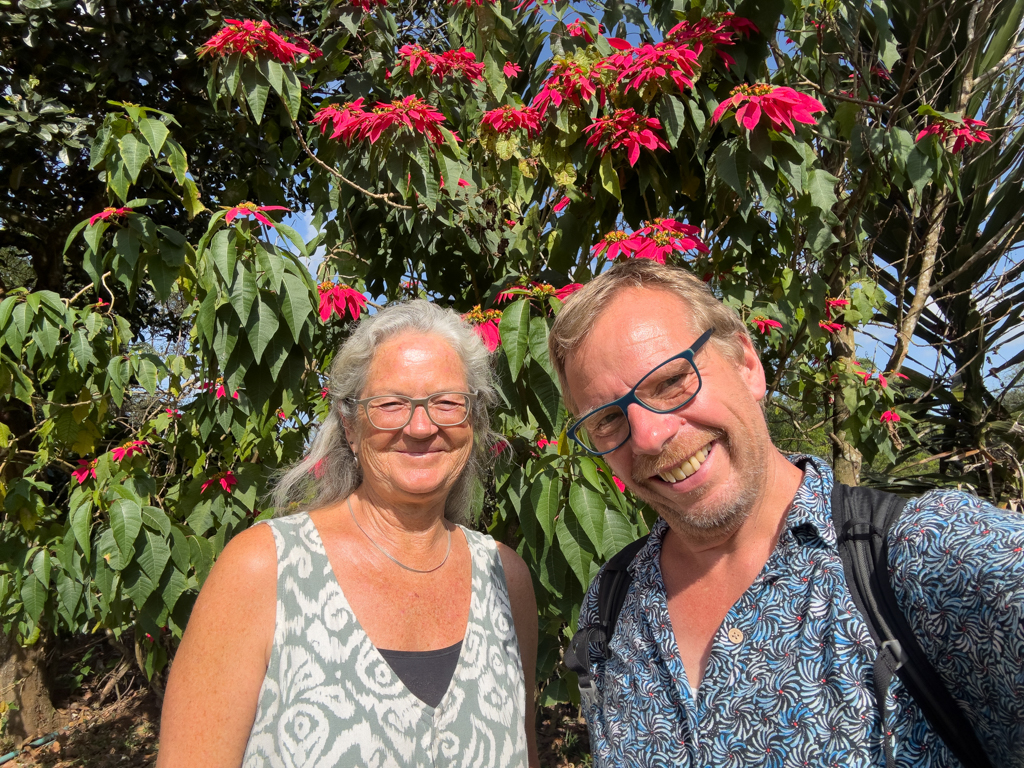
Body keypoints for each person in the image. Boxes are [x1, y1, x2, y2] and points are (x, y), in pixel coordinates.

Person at [547, 259, 1024, 767]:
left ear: (747, 363)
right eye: (607, 420)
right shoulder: (613, 602)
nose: (649, 435)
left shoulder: (925, 553)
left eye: (670, 381)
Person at [158, 300, 540, 768]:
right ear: (349, 424)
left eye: (446, 402)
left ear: (473, 421)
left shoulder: (506, 577)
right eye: (391, 404)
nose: (421, 427)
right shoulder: (264, 570)